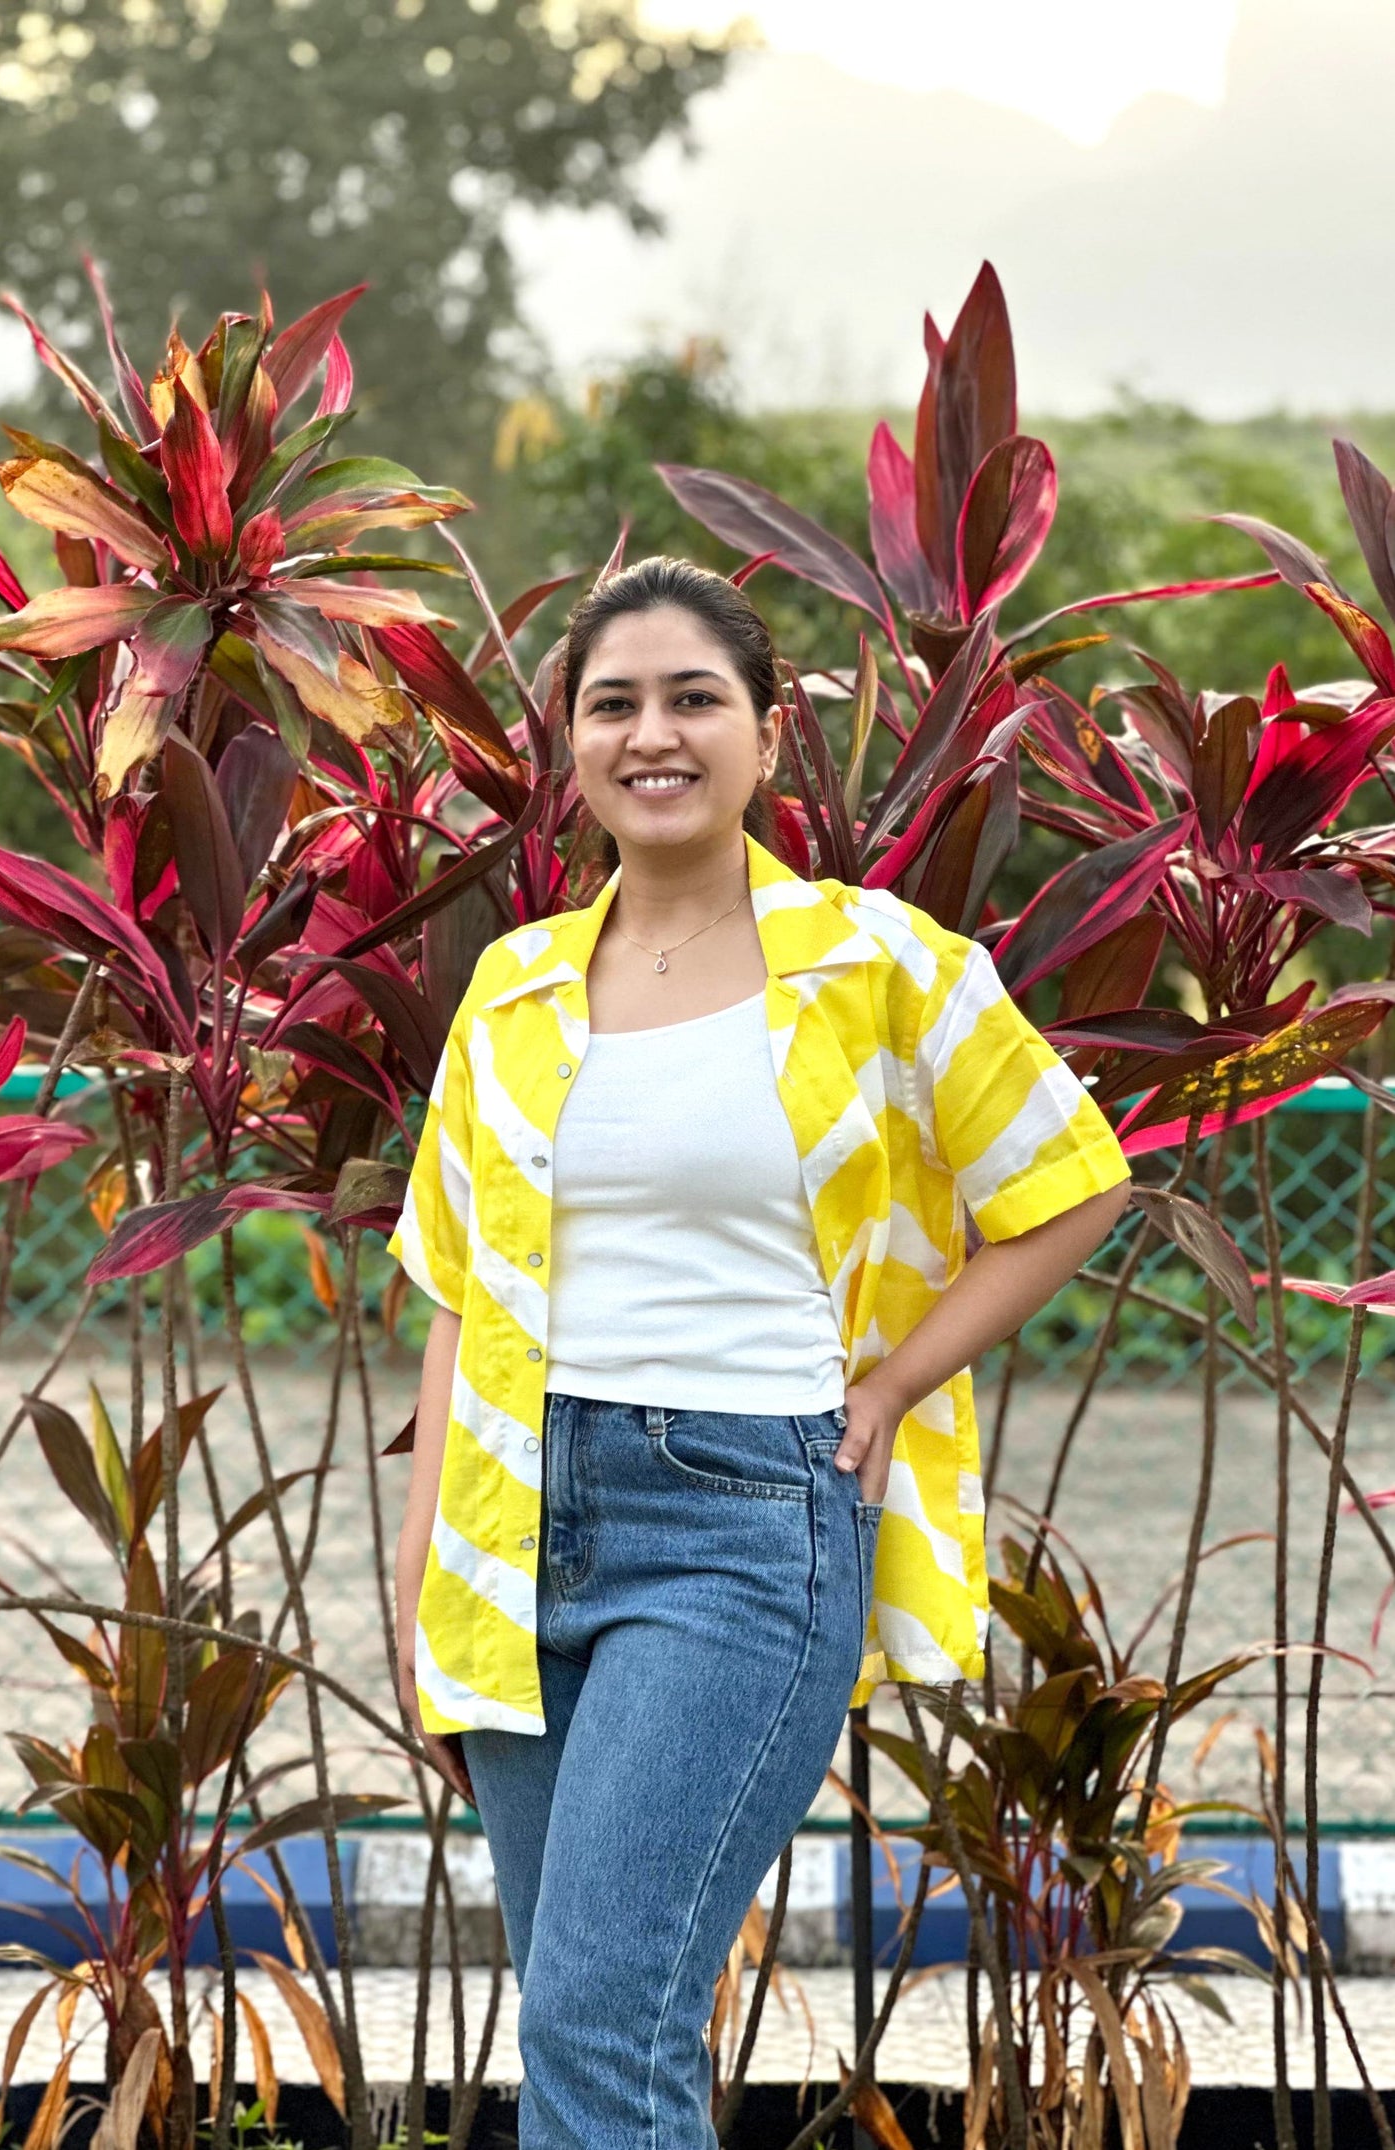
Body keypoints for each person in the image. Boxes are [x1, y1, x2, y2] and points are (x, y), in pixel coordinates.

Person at [389, 556, 1131, 2147]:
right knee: (580, 2007)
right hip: (513, 1528)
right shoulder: (516, 985)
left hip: (741, 1522)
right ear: (571, 744)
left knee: (602, 2015)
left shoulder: (882, 963)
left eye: (692, 698)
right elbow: (459, 1296)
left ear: (767, 731)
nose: (651, 734)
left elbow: (1072, 1186)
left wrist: (895, 1379)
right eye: (612, 704)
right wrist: (418, 1583)